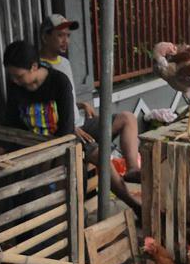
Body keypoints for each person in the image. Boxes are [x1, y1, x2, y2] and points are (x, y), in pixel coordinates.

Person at [2, 40, 141, 216]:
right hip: (36, 143)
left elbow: (67, 128)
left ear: (34, 67)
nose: (14, 81)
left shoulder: (59, 82)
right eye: (12, 77)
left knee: (99, 157)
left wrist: (50, 157)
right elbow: (11, 122)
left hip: (64, 138)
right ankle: (71, 218)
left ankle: (132, 201)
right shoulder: (16, 87)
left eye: (19, 76)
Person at [38, 14, 142, 183]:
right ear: (45, 36)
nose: (66, 41)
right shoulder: (37, 67)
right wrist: (69, 126)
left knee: (127, 118)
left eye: (68, 36)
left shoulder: (64, 63)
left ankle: (132, 170)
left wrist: (81, 104)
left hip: (81, 122)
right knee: (95, 159)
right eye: (60, 35)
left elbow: (64, 98)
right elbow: (43, 108)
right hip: (65, 130)